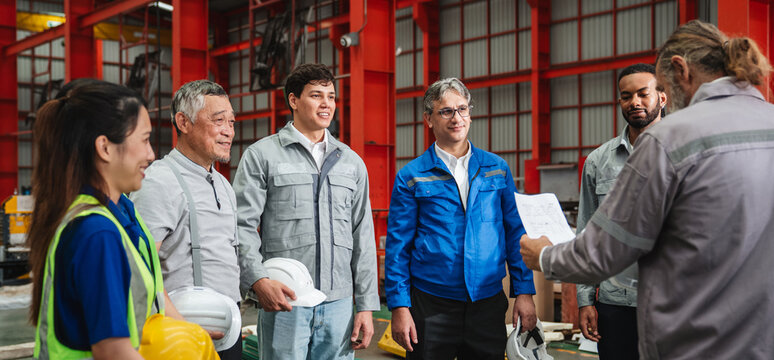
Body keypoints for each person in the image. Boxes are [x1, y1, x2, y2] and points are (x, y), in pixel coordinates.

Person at [520, 20, 774, 359]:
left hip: (701, 344)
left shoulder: (672, 140)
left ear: (680, 70)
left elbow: (605, 251)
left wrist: (544, 256)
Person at [27, 82, 194, 359]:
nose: (151, 154)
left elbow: (151, 295)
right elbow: (113, 351)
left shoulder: (122, 212)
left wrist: (189, 335)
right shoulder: (96, 232)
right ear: (105, 148)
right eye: (144, 139)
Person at [233, 63, 379, 359]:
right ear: (293, 100)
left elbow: (362, 235)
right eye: (316, 95)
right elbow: (241, 225)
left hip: (338, 304)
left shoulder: (350, 162)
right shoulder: (263, 156)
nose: (326, 104)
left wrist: (365, 304)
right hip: (286, 301)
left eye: (331, 96)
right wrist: (258, 281)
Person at [385, 77, 537, 360]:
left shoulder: (497, 169)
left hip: (487, 303)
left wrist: (524, 293)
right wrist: (399, 307)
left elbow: (516, 233)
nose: (457, 118)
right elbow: (398, 247)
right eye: (446, 111)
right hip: (431, 304)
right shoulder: (412, 176)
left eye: (462, 109)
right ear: (428, 119)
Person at [130, 80, 241, 359]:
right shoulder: (159, 181)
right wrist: (181, 324)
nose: (228, 131)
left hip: (226, 332)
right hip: (181, 336)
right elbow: (141, 269)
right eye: (218, 121)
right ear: (184, 122)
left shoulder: (223, 185)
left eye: (231, 122)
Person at [575, 63, 666, 359]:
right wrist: (585, 300)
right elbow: (587, 233)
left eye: (643, 94)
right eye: (626, 96)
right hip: (616, 305)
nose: (635, 102)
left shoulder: (686, 154)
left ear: (661, 98)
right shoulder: (599, 161)